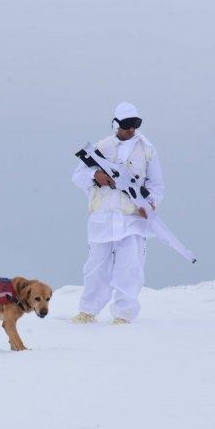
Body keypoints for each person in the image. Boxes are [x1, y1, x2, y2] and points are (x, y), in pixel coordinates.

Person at [71, 102, 164, 324]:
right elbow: (77, 176)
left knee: (129, 267)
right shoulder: (101, 147)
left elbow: (157, 186)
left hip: (132, 218)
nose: (131, 129)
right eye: (126, 124)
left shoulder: (147, 149)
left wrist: (149, 205)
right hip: (102, 217)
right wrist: (96, 177)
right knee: (95, 266)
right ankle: (88, 311)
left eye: (135, 124)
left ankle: (123, 314)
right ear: (116, 124)